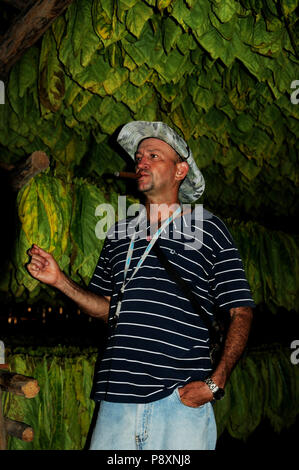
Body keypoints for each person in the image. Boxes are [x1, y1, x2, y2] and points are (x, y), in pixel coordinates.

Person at [27, 121, 255, 450]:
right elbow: (108, 310)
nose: (140, 162)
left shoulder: (208, 227)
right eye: (138, 157)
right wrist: (60, 280)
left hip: (179, 400)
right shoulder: (120, 233)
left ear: (180, 171)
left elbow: (241, 310)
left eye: (153, 155)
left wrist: (216, 383)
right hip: (115, 400)